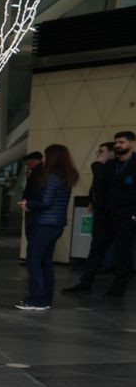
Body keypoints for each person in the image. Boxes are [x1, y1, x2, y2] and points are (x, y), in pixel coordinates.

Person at [65, 132, 134, 297]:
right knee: (96, 251)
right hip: (105, 216)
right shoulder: (110, 165)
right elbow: (101, 186)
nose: (117, 145)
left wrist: (97, 166)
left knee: (123, 253)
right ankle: (85, 283)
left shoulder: (110, 166)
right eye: (116, 142)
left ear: (132, 143)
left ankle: (119, 288)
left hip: (126, 216)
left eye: (122, 142)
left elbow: (117, 183)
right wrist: (94, 202)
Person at [16, 143, 77, 311]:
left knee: (33, 260)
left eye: (45, 155)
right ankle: (45, 299)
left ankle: (36, 299)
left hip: (44, 223)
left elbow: (46, 202)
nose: (43, 159)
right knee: (45, 262)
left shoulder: (51, 176)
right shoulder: (66, 176)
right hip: (56, 223)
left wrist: (28, 204)